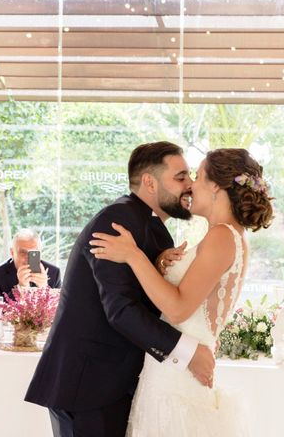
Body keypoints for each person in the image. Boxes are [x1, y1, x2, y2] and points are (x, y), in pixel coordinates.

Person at [25, 141, 216, 437]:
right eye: (180, 177)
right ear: (149, 182)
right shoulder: (116, 220)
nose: (189, 185)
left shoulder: (153, 228)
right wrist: (187, 352)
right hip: (88, 386)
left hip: (113, 382)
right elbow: (121, 309)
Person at [89, 148, 274, 436]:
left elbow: (178, 308)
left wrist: (133, 255)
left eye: (197, 176)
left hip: (178, 378)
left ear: (215, 186)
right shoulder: (222, 236)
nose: (191, 185)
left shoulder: (222, 236)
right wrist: (160, 263)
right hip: (172, 370)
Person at [0, 229, 61, 299]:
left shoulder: (53, 273)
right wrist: (20, 288)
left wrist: (44, 289)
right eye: (23, 253)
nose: (28, 258)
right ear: (12, 253)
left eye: (33, 253)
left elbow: (60, 309)